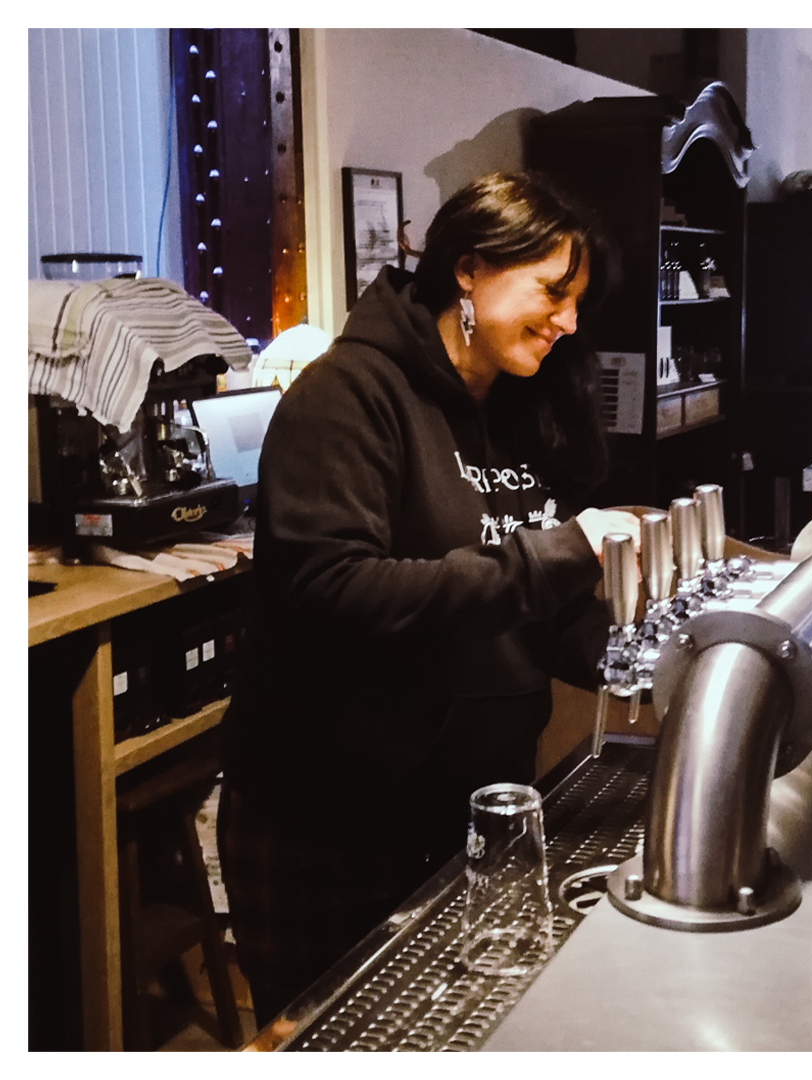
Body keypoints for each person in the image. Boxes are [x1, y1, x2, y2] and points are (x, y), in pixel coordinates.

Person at [217, 171, 641, 1027]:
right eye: (551, 291)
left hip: (471, 809)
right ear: (469, 269)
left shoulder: (517, 406)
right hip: (332, 823)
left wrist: (645, 657)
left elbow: (539, 611)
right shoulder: (347, 397)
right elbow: (333, 593)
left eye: (576, 303)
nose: (566, 322)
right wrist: (553, 556)